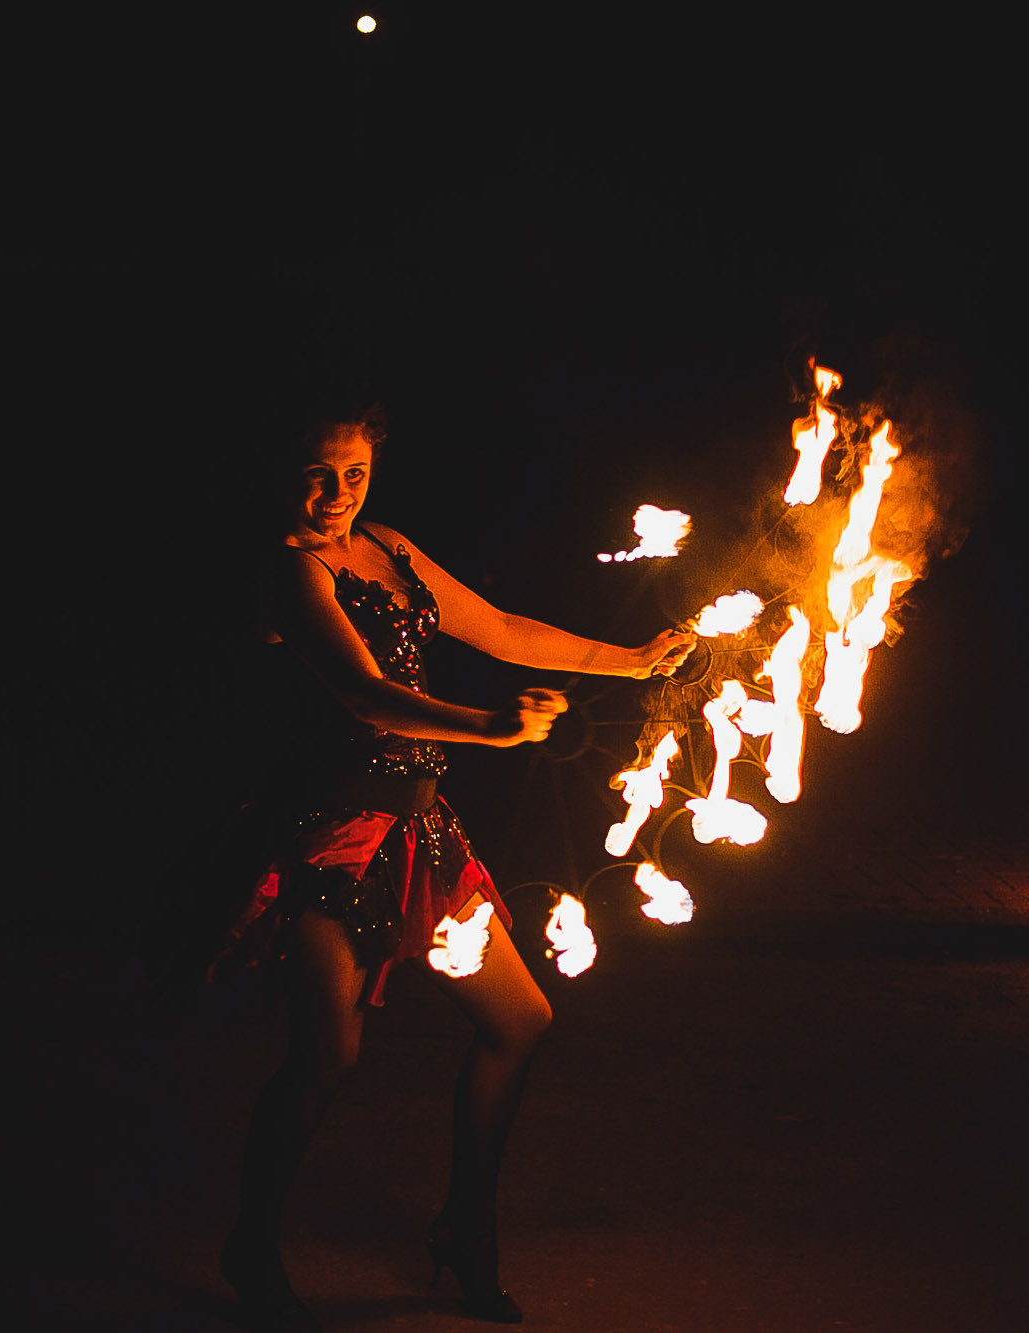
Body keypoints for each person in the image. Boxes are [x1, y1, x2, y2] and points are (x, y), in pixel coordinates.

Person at [216, 404, 694, 1331]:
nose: (337, 494)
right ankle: (251, 1244)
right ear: (281, 472)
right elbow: (365, 694)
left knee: (520, 1019)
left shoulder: (387, 547)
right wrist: (492, 726)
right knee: (328, 1053)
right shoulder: (289, 568)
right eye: (317, 474)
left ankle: (466, 1228)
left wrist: (633, 662)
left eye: (355, 474)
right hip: (331, 835)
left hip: (418, 827)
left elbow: (501, 628)